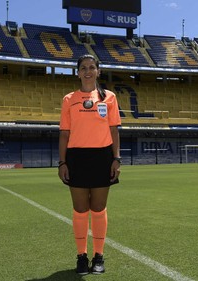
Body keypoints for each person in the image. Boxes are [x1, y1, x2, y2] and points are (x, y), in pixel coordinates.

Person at [58, 54, 122, 275]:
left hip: (102, 157)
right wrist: (62, 162)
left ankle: (99, 256)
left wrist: (116, 159)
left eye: (92, 67)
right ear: (77, 72)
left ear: (98, 71)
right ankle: (81, 256)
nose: (87, 71)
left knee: (98, 208)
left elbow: (114, 131)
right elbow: (64, 134)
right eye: (83, 67)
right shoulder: (69, 99)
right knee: (80, 209)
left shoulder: (110, 97)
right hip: (76, 157)